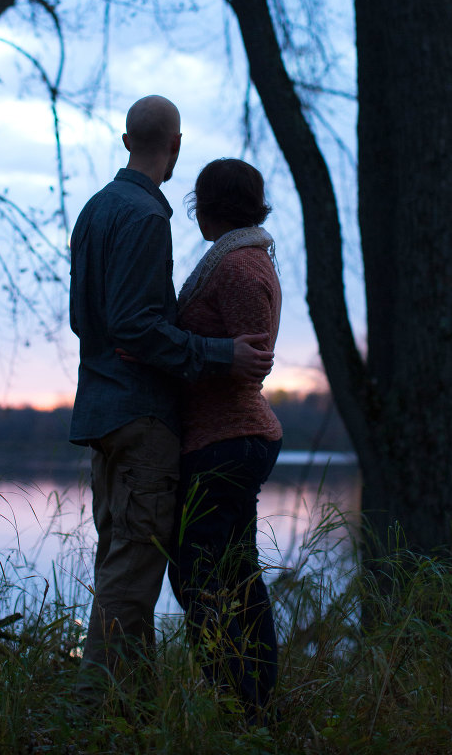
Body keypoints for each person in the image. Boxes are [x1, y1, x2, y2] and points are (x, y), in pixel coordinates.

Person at [68, 97, 274, 703]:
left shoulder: (95, 211)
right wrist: (219, 355)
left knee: (121, 563)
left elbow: (91, 321)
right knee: (132, 577)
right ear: (176, 145)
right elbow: (135, 325)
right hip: (140, 418)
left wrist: (131, 341)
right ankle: (89, 716)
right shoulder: (144, 216)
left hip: (102, 415)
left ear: (125, 138)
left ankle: (130, 711)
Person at [168, 158, 283, 721]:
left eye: (196, 204)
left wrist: (169, 355)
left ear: (206, 207)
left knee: (195, 574)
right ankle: (256, 707)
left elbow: (250, 364)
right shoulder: (242, 258)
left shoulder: (238, 267)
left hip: (229, 439)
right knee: (236, 573)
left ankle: (239, 703)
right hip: (230, 437)